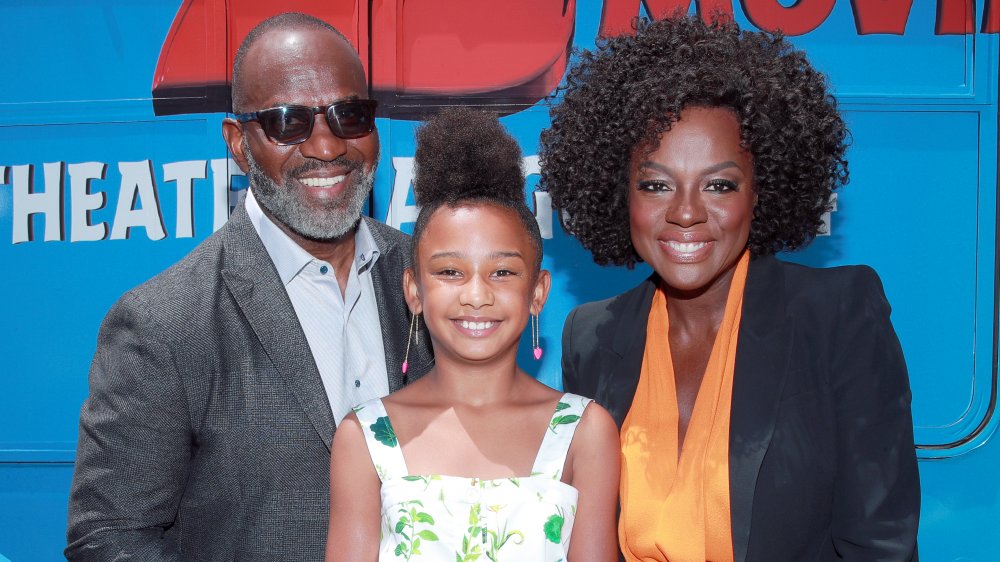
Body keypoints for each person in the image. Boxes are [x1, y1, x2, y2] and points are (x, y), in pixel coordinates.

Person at [539, 15, 920, 562]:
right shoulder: (592, 337)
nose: (687, 211)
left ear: (761, 192)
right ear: (617, 192)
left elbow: (880, 545)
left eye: (719, 184)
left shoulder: (837, 316)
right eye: (655, 184)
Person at [65, 13, 432, 561]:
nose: (328, 147)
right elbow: (110, 538)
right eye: (289, 122)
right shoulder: (163, 322)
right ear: (238, 144)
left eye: (349, 115)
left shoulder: (429, 276)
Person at [325, 108, 621, 561]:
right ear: (414, 291)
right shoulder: (365, 437)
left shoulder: (585, 432)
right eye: (450, 271)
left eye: (502, 271)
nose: (477, 294)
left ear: (538, 292)